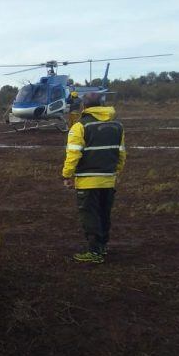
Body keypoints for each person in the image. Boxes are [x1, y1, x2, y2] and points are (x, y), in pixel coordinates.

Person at [62, 92, 126, 263]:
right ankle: (102, 247)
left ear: (85, 106)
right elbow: (121, 154)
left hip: (87, 182)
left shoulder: (79, 127)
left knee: (90, 215)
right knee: (104, 214)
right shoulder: (117, 126)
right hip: (108, 179)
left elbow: (73, 154)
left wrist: (67, 175)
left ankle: (94, 252)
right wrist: (116, 172)